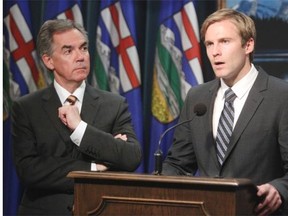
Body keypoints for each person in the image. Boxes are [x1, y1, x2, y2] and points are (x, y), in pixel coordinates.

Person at [162, 8, 288, 215]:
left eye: (224, 42)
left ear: (248, 45)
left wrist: (279, 189)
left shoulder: (281, 96)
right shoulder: (197, 97)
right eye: (210, 44)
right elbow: (178, 163)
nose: (215, 52)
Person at [11, 19, 142, 215]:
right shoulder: (27, 108)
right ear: (48, 60)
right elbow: (29, 169)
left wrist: (80, 128)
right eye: (68, 51)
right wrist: (95, 167)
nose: (80, 57)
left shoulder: (114, 104)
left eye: (83, 48)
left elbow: (130, 157)